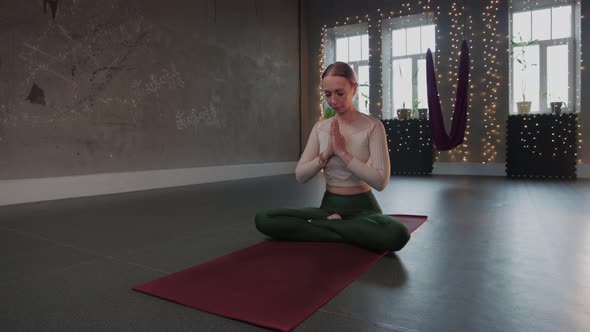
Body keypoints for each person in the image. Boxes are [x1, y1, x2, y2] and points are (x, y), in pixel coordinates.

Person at [255, 62, 410, 252]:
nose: (333, 100)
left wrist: (343, 153)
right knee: (265, 219)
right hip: (329, 207)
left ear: (354, 88)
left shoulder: (373, 126)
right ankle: (348, 232)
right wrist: (326, 154)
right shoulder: (321, 128)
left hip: (364, 208)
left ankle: (328, 228)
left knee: (397, 234)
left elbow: (380, 182)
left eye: (340, 93)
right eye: (327, 94)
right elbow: (300, 176)